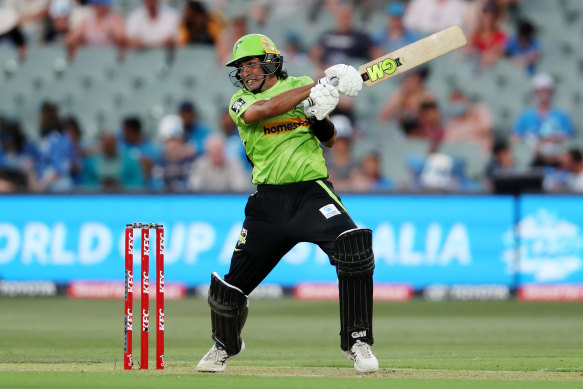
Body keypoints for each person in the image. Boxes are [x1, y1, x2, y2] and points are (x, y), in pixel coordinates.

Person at [196, 33, 378, 373]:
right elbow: (263, 111)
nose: (245, 73)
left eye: (251, 64)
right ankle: (224, 345)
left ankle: (357, 341)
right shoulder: (240, 101)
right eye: (241, 67)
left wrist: (317, 116)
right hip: (268, 202)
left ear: (270, 62)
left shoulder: (301, 84)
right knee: (230, 288)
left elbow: (330, 139)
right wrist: (319, 87)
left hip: (311, 193)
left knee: (354, 250)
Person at [513, 73, 575, 168]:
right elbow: (515, 138)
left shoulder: (561, 115)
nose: (543, 94)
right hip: (532, 158)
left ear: (552, 92)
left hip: (555, 158)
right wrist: (532, 143)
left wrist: (552, 139)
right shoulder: (525, 115)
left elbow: (568, 137)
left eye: (546, 90)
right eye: (539, 91)